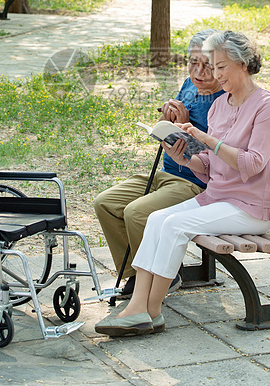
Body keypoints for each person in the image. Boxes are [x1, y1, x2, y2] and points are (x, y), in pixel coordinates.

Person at [95, 30, 270, 337]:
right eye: (215, 66)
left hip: (251, 208)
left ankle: (150, 312)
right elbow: (209, 168)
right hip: (219, 198)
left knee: (172, 226)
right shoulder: (220, 106)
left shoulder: (267, 106)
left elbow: (253, 163)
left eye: (221, 66)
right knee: (157, 219)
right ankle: (137, 308)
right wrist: (184, 156)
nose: (216, 74)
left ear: (243, 64)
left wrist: (205, 138)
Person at [94, 29, 224, 299]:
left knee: (136, 213)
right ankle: (133, 275)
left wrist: (184, 130)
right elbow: (180, 119)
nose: (198, 72)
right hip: (165, 173)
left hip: (195, 184)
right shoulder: (191, 84)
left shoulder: (224, 100)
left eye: (207, 66)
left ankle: (164, 273)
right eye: (192, 63)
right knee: (105, 203)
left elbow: (218, 155)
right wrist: (171, 114)